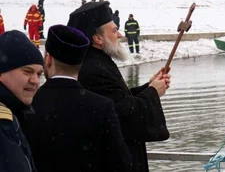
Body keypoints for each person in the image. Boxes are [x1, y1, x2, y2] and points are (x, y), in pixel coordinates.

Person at [67, 1, 170, 172]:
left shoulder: (97, 61)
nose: (120, 35)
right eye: (114, 30)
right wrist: (152, 93)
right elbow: (123, 116)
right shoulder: (94, 69)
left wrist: (149, 87)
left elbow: (120, 99)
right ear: (98, 38)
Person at [21, 25, 132, 172]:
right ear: (80, 64)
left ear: (48, 59)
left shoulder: (25, 105)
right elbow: (123, 164)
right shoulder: (102, 107)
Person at [0, 30, 44, 172]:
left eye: (39, 74)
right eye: (27, 71)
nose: (35, 81)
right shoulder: (3, 123)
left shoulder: (17, 112)